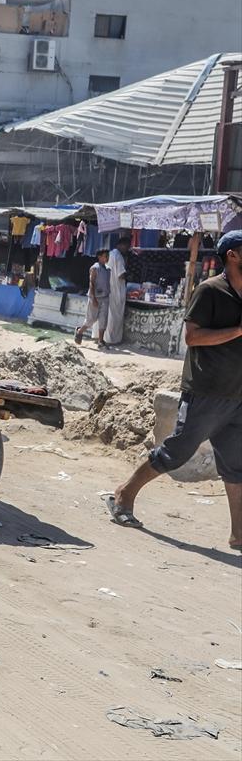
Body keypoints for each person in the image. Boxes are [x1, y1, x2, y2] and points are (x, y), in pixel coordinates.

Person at [105, 230, 242, 550]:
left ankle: (238, 535)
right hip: (206, 390)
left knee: (236, 466)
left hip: (238, 396)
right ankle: (124, 495)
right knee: (175, 453)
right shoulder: (210, 291)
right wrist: (238, 330)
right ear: (233, 254)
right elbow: (192, 338)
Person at [75, 249, 112, 348]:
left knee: (103, 319)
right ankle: (79, 331)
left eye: (108, 256)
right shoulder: (95, 268)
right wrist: (94, 298)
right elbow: (91, 283)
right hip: (95, 297)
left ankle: (101, 340)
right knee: (91, 320)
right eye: (105, 256)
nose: (107, 258)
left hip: (105, 297)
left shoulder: (108, 269)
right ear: (99, 257)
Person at [103, 235, 131, 345]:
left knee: (107, 314)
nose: (127, 249)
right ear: (122, 245)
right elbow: (121, 275)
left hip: (108, 287)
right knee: (114, 315)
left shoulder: (110, 254)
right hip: (116, 290)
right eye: (127, 247)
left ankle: (103, 337)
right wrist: (128, 276)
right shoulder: (118, 256)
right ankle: (112, 339)